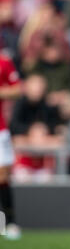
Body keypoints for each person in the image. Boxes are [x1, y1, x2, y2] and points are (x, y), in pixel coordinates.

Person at [0, 53, 22, 239]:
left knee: (3, 174)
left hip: (0, 128)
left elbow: (17, 89)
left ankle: (10, 222)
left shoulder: (4, 61)